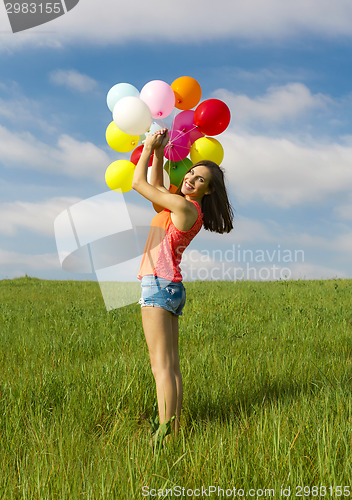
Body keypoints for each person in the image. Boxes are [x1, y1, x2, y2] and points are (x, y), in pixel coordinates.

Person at [132, 128, 233, 442]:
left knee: (161, 367)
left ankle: (163, 434)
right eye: (191, 172)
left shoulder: (185, 208)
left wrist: (147, 146)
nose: (190, 178)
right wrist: (161, 152)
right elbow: (159, 186)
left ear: (208, 190)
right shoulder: (183, 206)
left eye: (199, 179)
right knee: (171, 368)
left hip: (159, 284)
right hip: (170, 286)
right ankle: (171, 429)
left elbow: (139, 184)